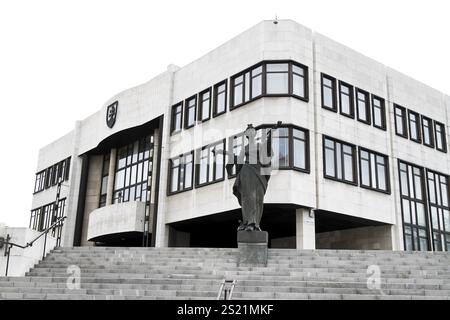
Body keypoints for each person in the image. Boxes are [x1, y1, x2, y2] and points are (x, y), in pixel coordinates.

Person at [224, 122, 281, 231]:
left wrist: (271, 134)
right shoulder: (244, 148)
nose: (251, 132)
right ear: (246, 133)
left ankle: (256, 223)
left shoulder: (260, 145)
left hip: (258, 172)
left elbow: (268, 150)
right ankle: (248, 222)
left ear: (255, 133)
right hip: (247, 172)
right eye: (248, 131)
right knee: (248, 197)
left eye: (253, 130)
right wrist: (230, 166)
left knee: (258, 198)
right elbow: (240, 161)